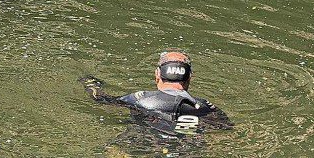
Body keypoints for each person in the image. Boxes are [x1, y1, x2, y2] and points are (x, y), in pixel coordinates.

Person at [81, 51, 234, 136]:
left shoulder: (141, 99)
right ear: (189, 77)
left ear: (157, 74)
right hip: (188, 153)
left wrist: (89, 83)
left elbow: (100, 98)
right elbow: (226, 128)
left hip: (146, 149)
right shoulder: (204, 106)